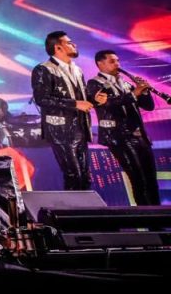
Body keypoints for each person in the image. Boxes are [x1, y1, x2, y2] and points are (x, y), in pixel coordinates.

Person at [86, 50, 159, 205]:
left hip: (140, 136)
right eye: (112, 61)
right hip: (119, 138)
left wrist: (144, 92)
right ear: (100, 64)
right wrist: (134, 94)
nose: (117, 64)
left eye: (118, 60)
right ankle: (147, 216)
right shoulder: (94, 84)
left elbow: (149, 106)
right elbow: (109, 104)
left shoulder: (125, 83)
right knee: (138, 179)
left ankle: (159, 215)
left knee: (151, 179)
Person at [31, 31, 93, 190]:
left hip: (81, 127)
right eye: (69, 42)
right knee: (73, 175)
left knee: (85, 177)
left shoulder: (77, 69)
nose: (74, 45)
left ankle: (85, 206)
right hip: (60, 130)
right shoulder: (43, 69)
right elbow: (41, 99)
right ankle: (74, 206)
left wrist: (95, 99)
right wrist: (75, 104)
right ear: (58, 47)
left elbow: (83, 97)